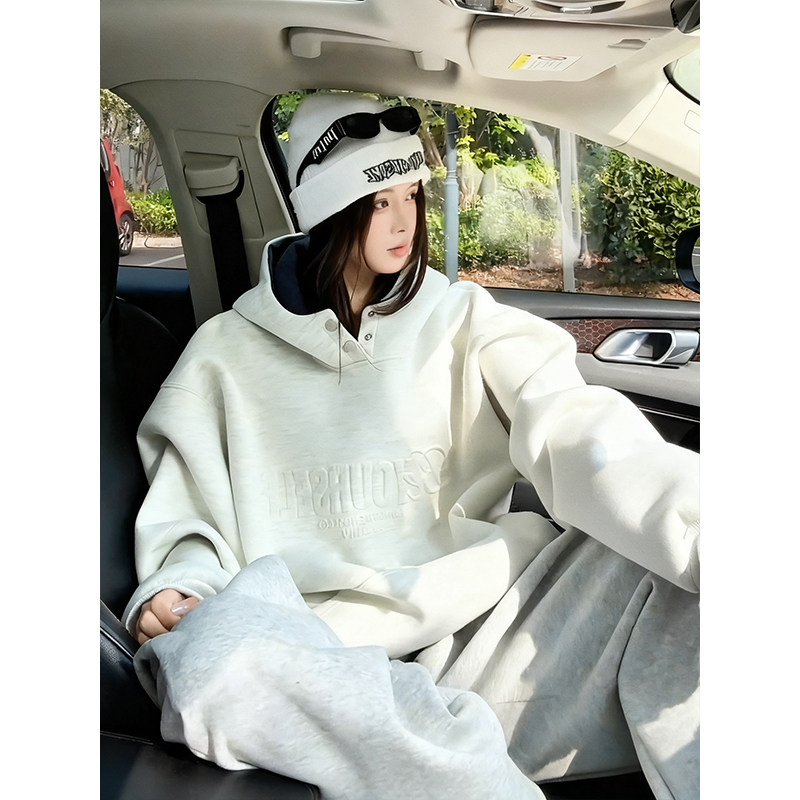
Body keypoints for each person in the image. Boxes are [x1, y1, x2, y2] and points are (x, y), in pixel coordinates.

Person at [124, 92, 699, 799]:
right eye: (378, 201)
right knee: (214, 661)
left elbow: (576, 426)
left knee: (679, 572)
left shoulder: (463, 318)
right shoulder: (221, 357)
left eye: (412, 196)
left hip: (489, 633)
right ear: (330, 209)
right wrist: (177, 591)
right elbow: (188, 524)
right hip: (319, 661)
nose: (404, 222)